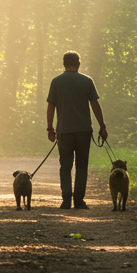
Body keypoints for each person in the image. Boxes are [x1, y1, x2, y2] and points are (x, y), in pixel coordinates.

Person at [45, 51, 108, 209]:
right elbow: (95, 105)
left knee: (65, 166)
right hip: (83, 131)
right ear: (79, 63)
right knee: (81, 166)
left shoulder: (56, 82)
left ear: (64, 63)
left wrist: (50, 128)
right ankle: (79, 200)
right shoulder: (87, 81)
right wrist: (102, 126)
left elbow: (50, 106)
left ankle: (66, 200)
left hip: (64, 131)